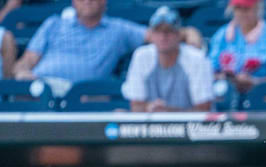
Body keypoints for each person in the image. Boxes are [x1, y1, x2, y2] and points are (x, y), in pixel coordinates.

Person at [12, 0, 146, 83]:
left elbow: (156, 36)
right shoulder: (54, 23)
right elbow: (28, 59)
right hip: (42, 87)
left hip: (84, 97)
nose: (87, 1)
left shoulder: (119, 29)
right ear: (73, 2)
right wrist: (22, 72)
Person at [122, 7, 213, 113]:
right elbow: (135, 106)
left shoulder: (196, 58)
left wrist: (166, 112)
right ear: (151, 35)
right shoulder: (141, 56)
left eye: (169, 31)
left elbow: (203, 109)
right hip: (152, 127)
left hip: (193, 127)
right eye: (158, 31)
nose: (163, 36)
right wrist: (150, 108)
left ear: (179, 35)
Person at [208, 0, 266, 93]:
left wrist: (255, 82)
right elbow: (211, 71)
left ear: (258, 8)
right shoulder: (221, 35)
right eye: (238, 8)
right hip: (226, 94)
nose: (242, 13)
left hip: (263, 95)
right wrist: (228, 79)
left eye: (246, 8)